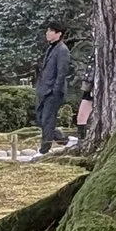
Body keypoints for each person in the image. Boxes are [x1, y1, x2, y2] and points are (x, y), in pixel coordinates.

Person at [33, 23, 74, 153]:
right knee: (41, 119)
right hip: (44, 90)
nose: (47, 33)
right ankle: (64, 141)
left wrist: (55, 89)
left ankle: (44, 149)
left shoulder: (62, 50)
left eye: (50, 31)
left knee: (47, 119)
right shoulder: (51, 48)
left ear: (58, 33)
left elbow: (62, 72)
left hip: (53, 91)